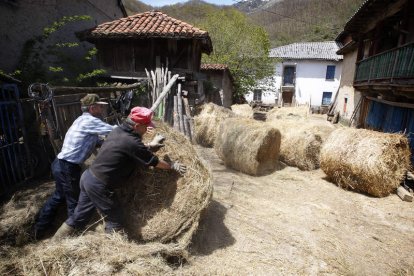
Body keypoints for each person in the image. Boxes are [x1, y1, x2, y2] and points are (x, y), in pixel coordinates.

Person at [53, 106, 186, 239]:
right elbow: (154, 162)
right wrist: (171, 165)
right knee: (116, 218)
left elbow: (129, 149)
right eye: (146, 126)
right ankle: (114, 251)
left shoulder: (118, 131)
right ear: (137, 126)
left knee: (79, 216)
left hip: (88, 178)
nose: (147, 130)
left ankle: (56, 242)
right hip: (99, 185)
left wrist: (150, 146)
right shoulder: (131, 141)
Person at [34, 94, 115, 239]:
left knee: (59, 196)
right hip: (67, 166)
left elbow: (94, 140)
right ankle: (73, 236)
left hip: (60, 164)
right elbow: (115, 131)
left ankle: (40, 228)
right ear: (92, 108)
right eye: (100, 106)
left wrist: (104, 144)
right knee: (74, 200)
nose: (103, 108)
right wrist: (131, 125)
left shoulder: (81, 119)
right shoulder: (89, 121)